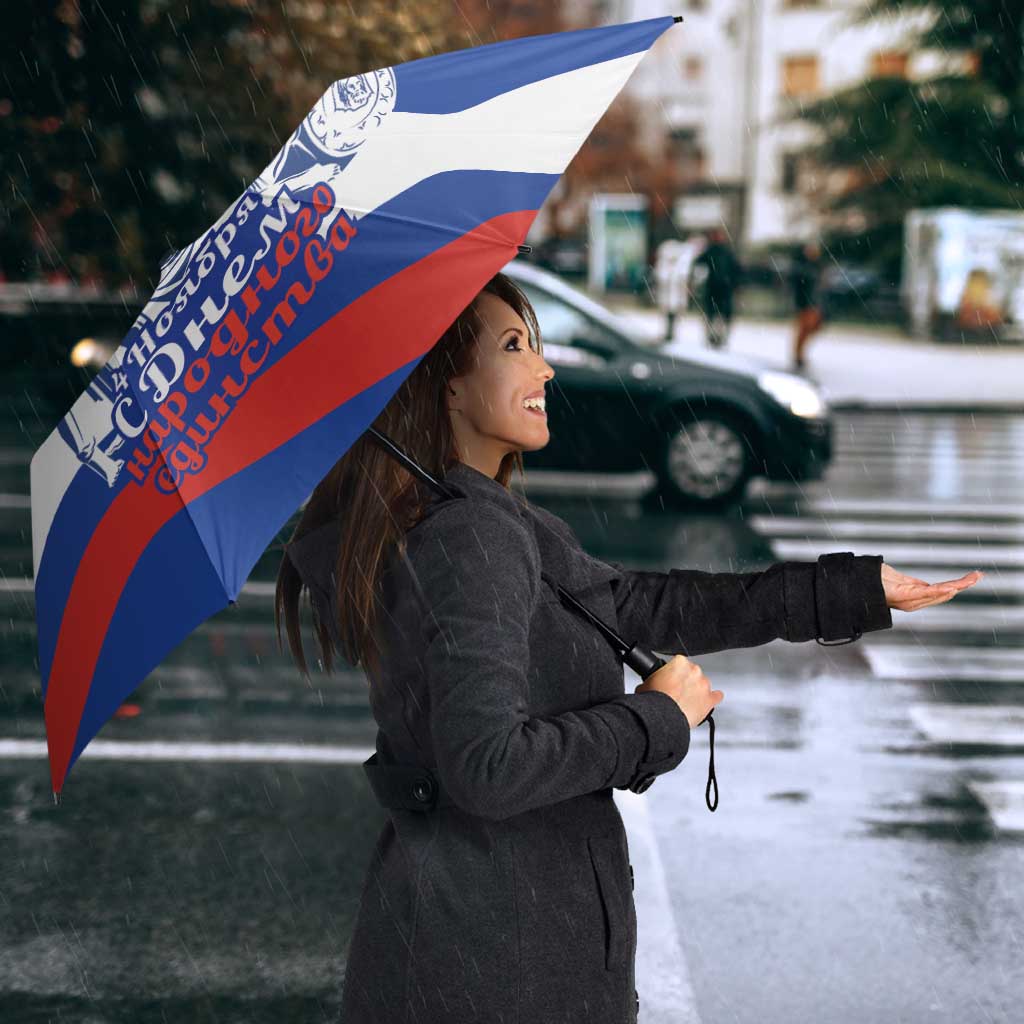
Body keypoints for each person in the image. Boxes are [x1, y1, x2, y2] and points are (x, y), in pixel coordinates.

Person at [276, 272, 981, 1024]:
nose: (544, 368)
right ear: (446, 388)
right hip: (496, 962)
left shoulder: (480, 520)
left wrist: (849, 590)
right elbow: (487, 767)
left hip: (480, 943)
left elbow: (644, 605)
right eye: (514, 346)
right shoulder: (469, 536)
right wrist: (655, 719)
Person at [692, 226, 742, 349]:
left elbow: (736, 270)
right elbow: (698, 264)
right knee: (713, 314)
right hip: (715, 288)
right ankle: (713, 337)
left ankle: (719, 337)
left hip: (723, 288)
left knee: (720, 315)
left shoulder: (725, 252)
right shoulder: (712, 251)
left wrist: (735, 284)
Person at [790, 239, 826, 370]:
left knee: (812, 328)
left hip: (814, 303)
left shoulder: (817, 266)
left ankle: (799, 354)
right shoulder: (802, 267)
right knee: (804, 329)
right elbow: (799, 286)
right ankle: (798, 355)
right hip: (805, 303)